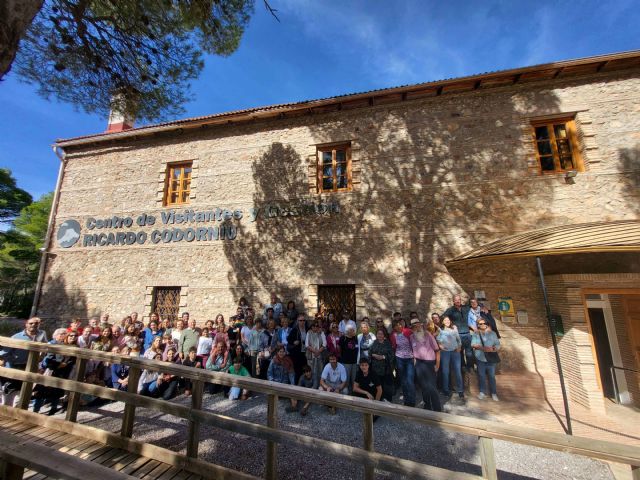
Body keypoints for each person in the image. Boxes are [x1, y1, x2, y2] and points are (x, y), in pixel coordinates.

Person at [410, 318, 441, 412]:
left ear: (421, 325)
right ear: (412, 328)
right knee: (423, 386)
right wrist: (415, 363)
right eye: (414, 326)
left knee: (432, 387)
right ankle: (427, 405)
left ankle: (437, 409)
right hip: (419, 364)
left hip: (429, 363)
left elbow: (437, 350)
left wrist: (437, 365)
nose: (417, 327)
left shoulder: (428, 335)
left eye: (418, 325)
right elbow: (413, 351)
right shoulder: (411, 337)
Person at [442, 294, 474, 373]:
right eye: (456, 300)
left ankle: (470, 367)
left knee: (469, 352)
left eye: (459, 299)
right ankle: (463, 367)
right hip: (458, 334)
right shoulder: (450, 310)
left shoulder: (466, 307)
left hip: (467, 333)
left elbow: (475, 304)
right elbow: (443, 317)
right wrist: (450, 326)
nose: (458, 301)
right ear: (453, 301)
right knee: (460, 352)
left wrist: (483, 307)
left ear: (460, 300)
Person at [472, 319, 501, 401]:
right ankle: (482, 392)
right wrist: (483, 348)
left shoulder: (493, 333)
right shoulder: (475, 334)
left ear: (487, 324)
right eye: (480, 324)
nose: (483, 325)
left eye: (484, 323)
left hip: (491, 358)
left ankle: (494, 393)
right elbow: (473, 344)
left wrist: (493, 349)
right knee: (481, 376)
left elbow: (498, 344)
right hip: (480, 358)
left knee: (492, 376)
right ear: (478, 325)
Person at [437, 316, 464, 399]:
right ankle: (446, 390)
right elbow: (438, 340)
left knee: (457, 371)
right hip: (445, 353)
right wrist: (440, 346)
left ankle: (460, 390)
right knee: (445, 372)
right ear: (442, 322)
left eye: (448, 320)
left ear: (450, 321)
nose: (447, 321)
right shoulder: (440, 330)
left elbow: (459, 339)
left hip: (455, 352)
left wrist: (459, 347)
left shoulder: (454, 329)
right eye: (445, 320)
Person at [391, 319, 415, 407]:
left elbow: (415, 343)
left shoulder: (408, 331)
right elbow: (394, 347)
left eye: (399, 325)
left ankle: (412, 400)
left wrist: (415, 356)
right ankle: (406, 400)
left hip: (409, 358)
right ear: (393, 328)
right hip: (399, 358)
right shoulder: (393, 335)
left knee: (410, 380)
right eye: (396, 326)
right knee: (403, 381)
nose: (398, 327)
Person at [369, 328, 394, 402]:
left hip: (384, 369)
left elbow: (392, 355)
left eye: (381, 334)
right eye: (378, 334)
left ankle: (385, 399)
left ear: (384, 335)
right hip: (375, 368)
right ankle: (377, 398)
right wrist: (374, 355)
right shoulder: (374, 342)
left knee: (384, 385)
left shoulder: (387, 343)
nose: (380, 335)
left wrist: (383, 357)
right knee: (376, 384)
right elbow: (369, 353)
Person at [305, 321, 326, 389]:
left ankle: (320, 386)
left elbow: (324, 344)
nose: (315, 327)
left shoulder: (321, 333)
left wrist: (318, 352)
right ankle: (312, 386)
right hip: (311, 356)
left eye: (317, 326)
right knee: (311, 371)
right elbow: (307, 344)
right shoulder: (309, 333)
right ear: (311, 327)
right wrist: (315, 351)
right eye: (313, 326)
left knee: (320, 371)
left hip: (320, 356)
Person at [287, 314, 308, 382]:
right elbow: (289, 339)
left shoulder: (307, 329)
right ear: (297, 321)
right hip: (297, 353)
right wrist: (294, 342)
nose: (302, 322)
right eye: (300, 320)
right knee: (297, 370)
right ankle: (297, 386)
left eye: (303, 320)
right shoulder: (295, 330)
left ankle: (303, 384)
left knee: (305, 369)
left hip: (305, 353)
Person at [338, 326, 359, 393]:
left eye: (353, 330)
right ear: (348, 331)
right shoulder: (343, 338)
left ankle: (354, 391)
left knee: (354, 377)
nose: (354, 331)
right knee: (346, 377)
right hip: (346, 361)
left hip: (354, 362)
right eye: (352, 330)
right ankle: (345, 391)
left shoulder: (355, 338)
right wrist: (342, 356)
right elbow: (339, 348)